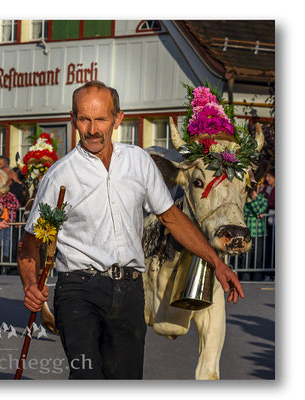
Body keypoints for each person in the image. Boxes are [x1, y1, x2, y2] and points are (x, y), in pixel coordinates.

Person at [17, 80, 244, 379]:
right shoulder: (61, 176)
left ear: (117, 119)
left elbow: (172, 218)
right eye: (84, 119)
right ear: (73, 119)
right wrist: (31, 285)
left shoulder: (138, 162)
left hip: (128, 291)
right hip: (78, 291)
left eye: (101, 119)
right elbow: (30, 243)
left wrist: (217, 264)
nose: (93, 129)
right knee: (87, 379)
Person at [243, 186, 268, 280]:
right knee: (246, 257)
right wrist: (256, 212)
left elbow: (260, 210)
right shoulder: (245, 199)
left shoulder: (262, 198)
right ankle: (245, 277)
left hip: (259, 233)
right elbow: (246, 211)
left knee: (258, 257)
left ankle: (258, 278)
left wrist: (253, 200)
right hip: (247, 232)